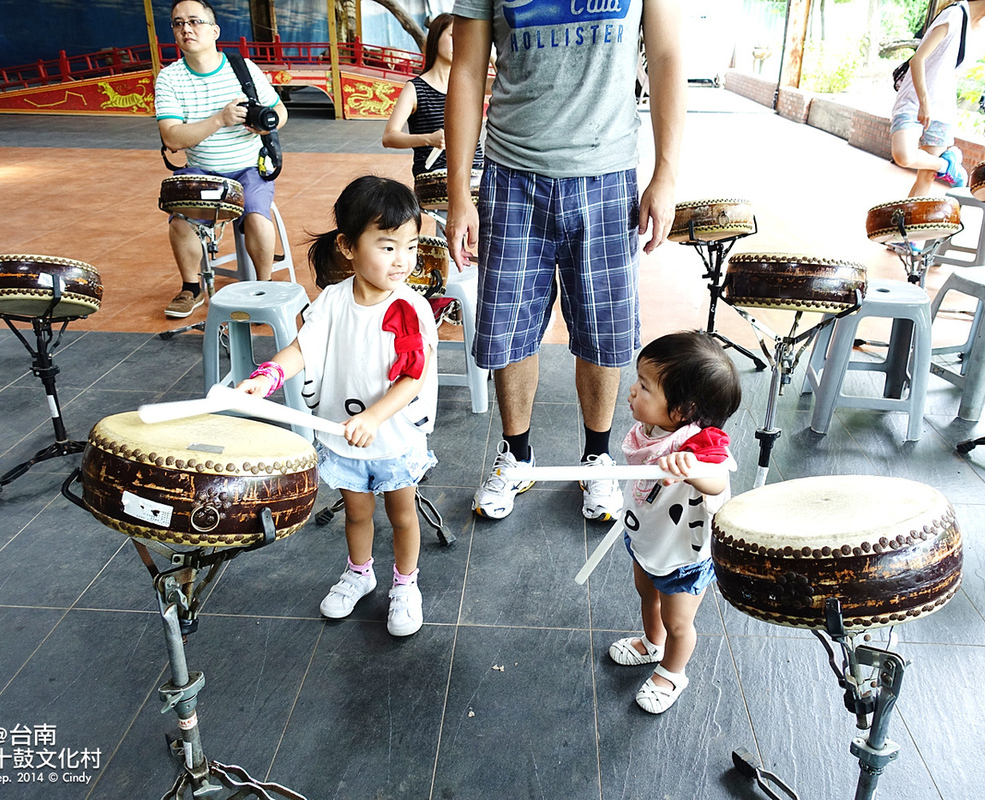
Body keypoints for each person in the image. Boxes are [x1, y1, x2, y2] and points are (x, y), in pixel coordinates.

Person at [443, 0, 686, 523]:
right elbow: (466, 70)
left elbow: (666, 56)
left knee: (603, 328)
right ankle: (516, 455)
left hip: (607, 172)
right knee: (509, 326)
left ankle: (597, 458)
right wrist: (460, 190)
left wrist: (666, 173)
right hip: (511, 172)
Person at [235, 176, 438, 637]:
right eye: (387, 246)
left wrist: (373, 416)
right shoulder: (331, 300)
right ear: (348, 246)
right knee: (357, 511)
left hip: (392, 437)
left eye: (410, 246)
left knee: (402, 513)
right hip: (345, 436)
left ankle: (405, 584)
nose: (402, 260)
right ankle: (360, 572)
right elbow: (302, 348)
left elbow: (412, 379)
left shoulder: (408, 309)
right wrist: (269, 374)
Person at [606, 331, 740, 714]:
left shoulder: (701, 446)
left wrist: (694, 471)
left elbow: (720, 480)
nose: (632, 391)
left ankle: (672, 671)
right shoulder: (653, 430)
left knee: (678, 621)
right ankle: (652, 643)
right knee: (646, 594)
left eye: (644, 387)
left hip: (683, 556)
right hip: (647, 537)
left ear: (682, 410)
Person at [155, 0, 288, 319]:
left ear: (214, 30)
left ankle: (265, 285)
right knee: (180, 218)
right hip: (203, 171)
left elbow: (280, 113)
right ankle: (191, 288)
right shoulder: (170, 79)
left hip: (250, 168)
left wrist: (263, 123)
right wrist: (220, 119)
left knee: (257, 217)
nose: (186, 28)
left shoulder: (242, 68)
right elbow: (172, 138)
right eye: (177, 23)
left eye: (195, 21)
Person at [890, 0, 985, 197]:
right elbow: (917, 60)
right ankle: (948, 165)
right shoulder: (954, 15)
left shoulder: (983, 30)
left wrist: (944, 106)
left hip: (943, 107)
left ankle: (909, 226)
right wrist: (925, 103)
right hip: (915, 101)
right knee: (904, 155)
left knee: (927, 176)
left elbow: (955, 73)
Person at [381, 13, 484, 178]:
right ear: (436, 39)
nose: (459, 42)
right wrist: (428, 139)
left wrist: (488, 54)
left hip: (476, 173)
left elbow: (506, 82)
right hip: (435, 178)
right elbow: (389, 137)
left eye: (463, 37)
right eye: (453, 35)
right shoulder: (415, 89)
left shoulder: (470, 83)